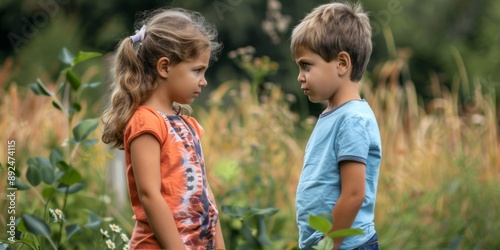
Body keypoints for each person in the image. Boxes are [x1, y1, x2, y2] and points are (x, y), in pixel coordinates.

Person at [101, 8, 225, 250]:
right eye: (197, 70)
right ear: (165, 67)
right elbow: (149, 195)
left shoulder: (188, 124)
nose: (204, 80)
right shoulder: (146, 122)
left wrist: (218, 245)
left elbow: (204, 192)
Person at [291, 2, 382, 250]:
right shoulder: (333, 115)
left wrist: (329, 243)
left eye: (306, 65)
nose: (300, 76)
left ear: (342, 63)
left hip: (346, 245)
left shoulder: (352, 120)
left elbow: (354, 194)